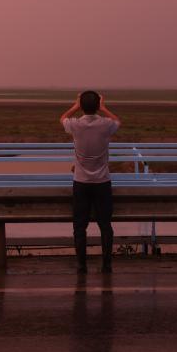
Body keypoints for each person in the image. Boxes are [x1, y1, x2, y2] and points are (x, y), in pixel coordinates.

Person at [59, 90, 121, 274]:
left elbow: (62, 118)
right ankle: (107, 264)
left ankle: (81, 265)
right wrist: (104, 108)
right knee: (105, 224)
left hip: (81, 182)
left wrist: (75, 106)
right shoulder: (106, 125)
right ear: (97, 106)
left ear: (82, 106)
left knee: (79, 225)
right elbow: (118, 121)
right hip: (102, 182)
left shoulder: (75, 125)